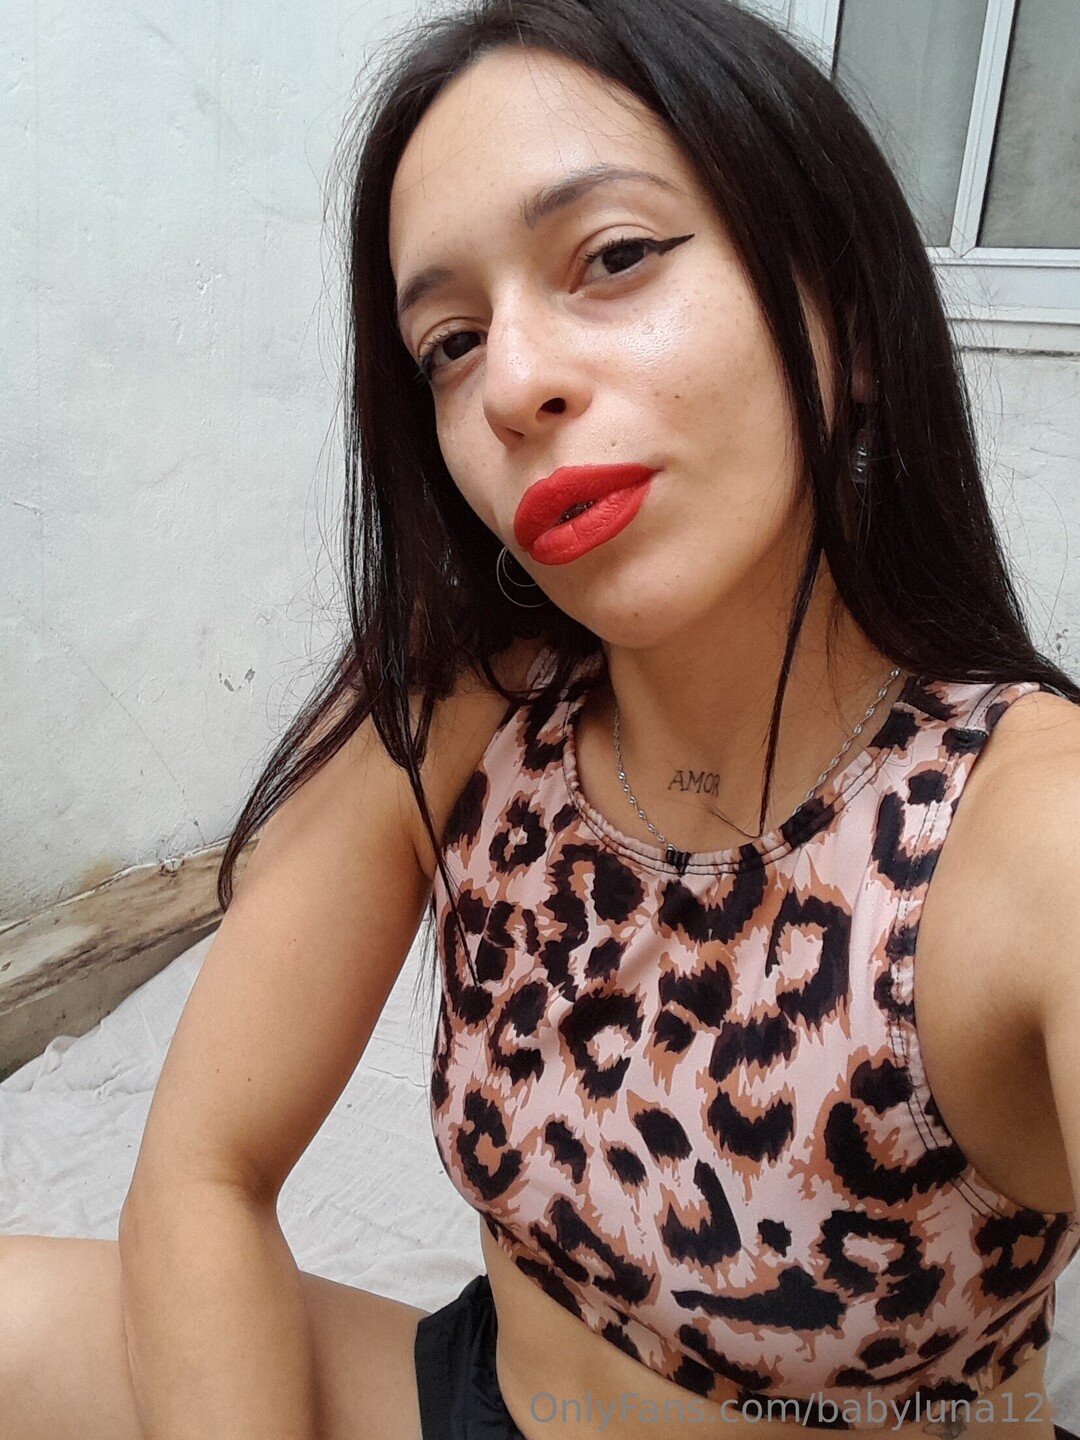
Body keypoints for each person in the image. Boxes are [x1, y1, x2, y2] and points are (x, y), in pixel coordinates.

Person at [1, 1, 1078, 1437]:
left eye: (614, 257)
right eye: (450, 342)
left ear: (848, 317)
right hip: (474, 1398)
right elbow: (206, 1169)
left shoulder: (1023, 830)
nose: (511, 386)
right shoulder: (470, 711)